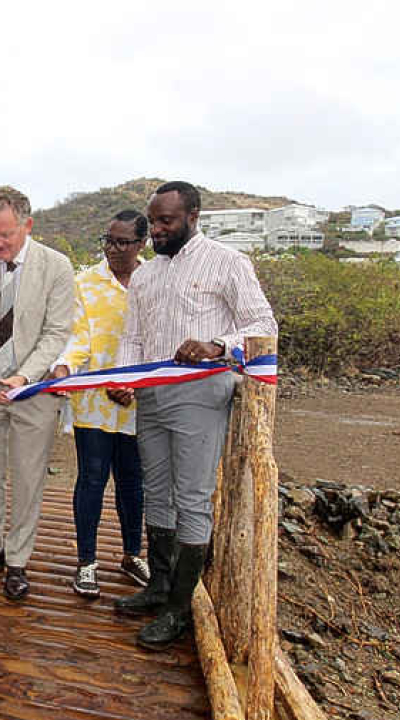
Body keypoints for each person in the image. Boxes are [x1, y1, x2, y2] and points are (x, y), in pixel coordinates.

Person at [110, 181, 277, 650]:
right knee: (156, 491)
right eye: (153, 222)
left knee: (192, 495)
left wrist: (217, 346)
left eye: (166, 221)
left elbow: (264, 325)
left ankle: (180, 608)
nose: (157, 230)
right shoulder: (145, 276)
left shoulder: (228, 263)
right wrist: (125, 378)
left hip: (202, 393)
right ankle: (159, 586)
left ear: (193, 216)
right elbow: (132, 339)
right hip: (154, 395)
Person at [0, 186, 75, 600]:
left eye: (5, 234)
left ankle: (17, 561)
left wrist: (25, 376)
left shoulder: (56, 267)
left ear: (27, 225)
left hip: (34, 391)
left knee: (27, 478)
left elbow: (58, 331)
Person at [51, 210, 149, 599]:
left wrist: (136, 386)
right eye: (108, 240)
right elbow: (80, 337)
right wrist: (63, 365)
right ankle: (87, 563)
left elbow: (159, 340)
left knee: (133, 481)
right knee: (92, 478)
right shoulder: (85, 283)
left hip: (139, 401)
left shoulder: (154, 281)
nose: (112, 249)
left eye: (122, 242)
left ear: (142, 244)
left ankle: (131, 554)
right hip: (93, 399)